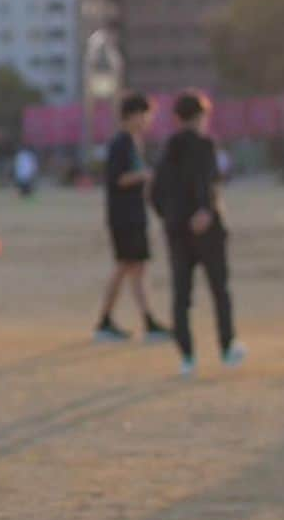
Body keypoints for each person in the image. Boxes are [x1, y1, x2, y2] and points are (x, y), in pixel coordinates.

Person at [151, 90, 245, 378]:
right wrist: (204, 210)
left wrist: (169, 218)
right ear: (201, 116)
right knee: (219, 288)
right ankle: (227, 347)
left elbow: (155, 192)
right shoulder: (205, 144)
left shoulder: (167, 150)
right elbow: (208, 180)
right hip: (207, 228)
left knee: (182, 294)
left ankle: (187, 356)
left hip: (177, 230)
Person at [94, 92, 171, 343]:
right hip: (124, 216)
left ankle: (145, 321)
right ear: (134, 115)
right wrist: (146, 175)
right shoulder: (121, 143)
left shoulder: (133, 142)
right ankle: (107, 322)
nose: (147, 121)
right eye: (145, 115)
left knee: (134, 268)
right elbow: (118, 179)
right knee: (127, 267)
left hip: (133, 214)